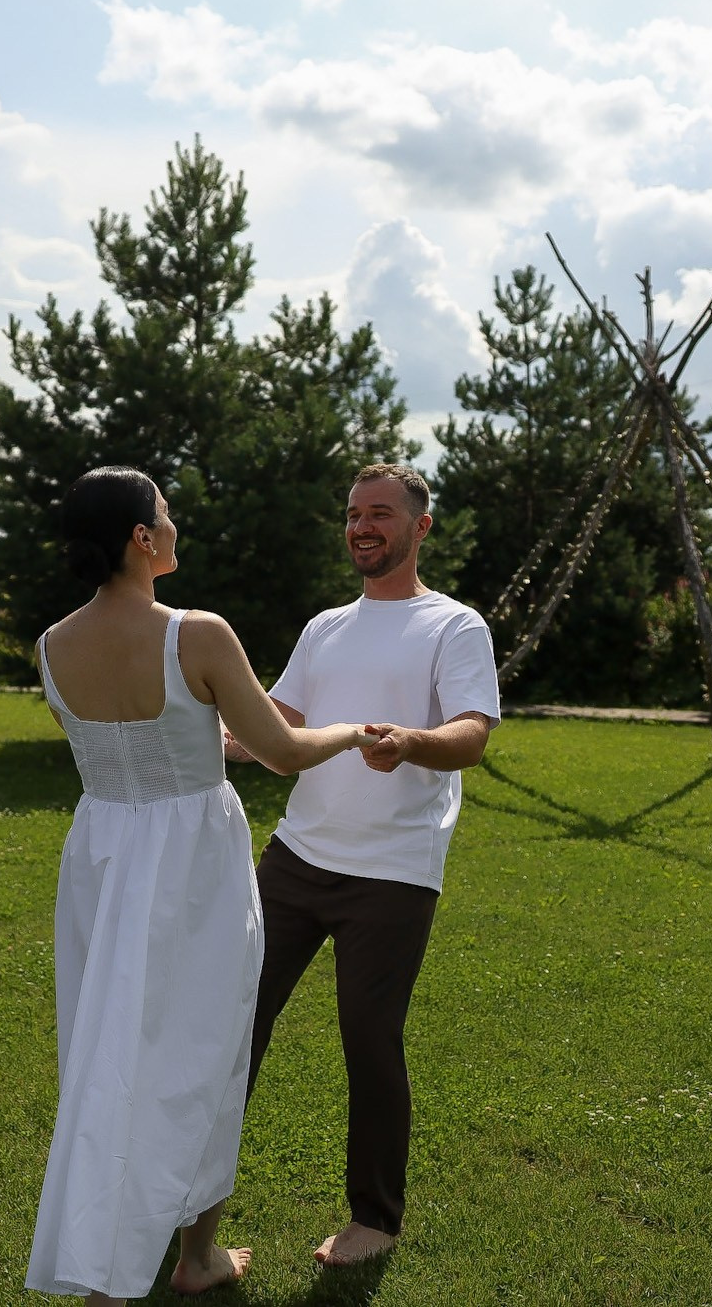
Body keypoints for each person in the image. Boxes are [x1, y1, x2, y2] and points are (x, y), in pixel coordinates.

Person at [26, 466, 383, 1306]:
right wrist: (349, 730)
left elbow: (117, 743)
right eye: (166, 512)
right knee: (205, 1047)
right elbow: (285, 750)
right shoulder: (198, 632)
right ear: (142, 540)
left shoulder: (49, 646)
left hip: (104, 854)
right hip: (191, 862)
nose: (176, 523)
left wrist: (202, 734)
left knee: (107, 1046)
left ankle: (113, 1259)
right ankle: (196, 1257)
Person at [226, 462, 501, 1268]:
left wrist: (411, 741)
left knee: (369, 1037)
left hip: (394, 871)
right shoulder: (324, 628)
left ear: (420, 527)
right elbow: (276, 727)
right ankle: (187, 1202)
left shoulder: (455, 626)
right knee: (232, 1021)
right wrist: (214, 741)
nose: (361, 527)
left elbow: (473, 733)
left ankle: (375, 1217)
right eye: (352, 514)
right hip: (298, 856)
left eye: (380, 514)